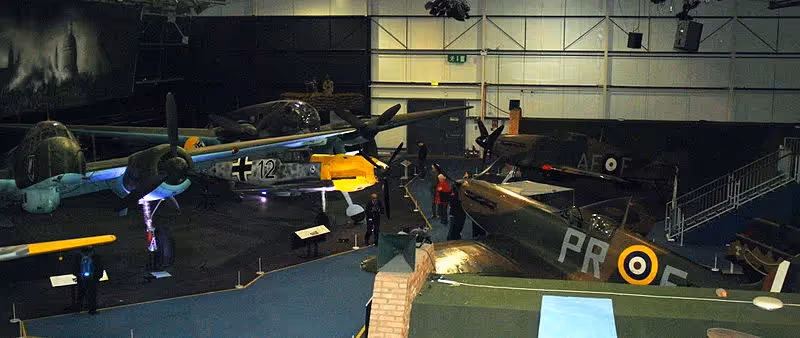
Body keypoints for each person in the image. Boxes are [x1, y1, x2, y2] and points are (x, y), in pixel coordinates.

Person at [72, 247, 103, 314]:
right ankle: (87, 309)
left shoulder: (79, 258)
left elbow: (99, 268)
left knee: (85, 294)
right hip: (86, 280)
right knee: (87, 294)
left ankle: (84, 309)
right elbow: (100, 268)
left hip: (87, 280)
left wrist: (96, 277)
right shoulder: (96, 257)